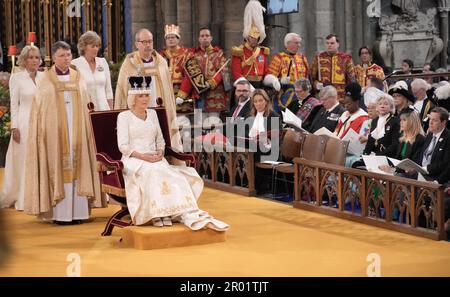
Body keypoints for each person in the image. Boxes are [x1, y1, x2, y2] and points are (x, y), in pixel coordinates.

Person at [117, 75, 228, 231]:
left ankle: (168, 212)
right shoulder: (124, 117)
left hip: (155, 158)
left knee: (168, 172)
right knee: (152, 171)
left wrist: (160, 153)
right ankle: (156, 214)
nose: (144, 99)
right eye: (141, 95)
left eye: (147, 95)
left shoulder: (153, 114)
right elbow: (123, 146)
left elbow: (161, 140)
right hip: (134, 159)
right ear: (133, 98)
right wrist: (143, 157)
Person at [23, 41, 105, 224]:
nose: (66, 59)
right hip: (55, 134)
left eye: (68, 55)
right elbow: (41, 110)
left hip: (77, 132)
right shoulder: (45, 79)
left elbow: (86, 103)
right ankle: (60, 215)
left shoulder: (78, 77)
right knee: (58, 167)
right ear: (53, 57)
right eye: (61, 55)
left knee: (78, 166)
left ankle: (79, 214)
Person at [114, 28, 182, 154]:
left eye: (150, 41)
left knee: (163, 135)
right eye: (144, 42)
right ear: (136, 44)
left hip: (160, 108)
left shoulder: (161, 62)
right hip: (137, 113)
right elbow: (122, 91)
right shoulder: (130, 63)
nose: (148, 45)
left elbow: (168, 90)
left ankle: (165, 156)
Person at [1, 45, 43, 210]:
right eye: (31, 57)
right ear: (24, 61)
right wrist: (14, 127)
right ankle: (24, 196)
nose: (34, 60)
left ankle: (40, 194)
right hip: (24, 122)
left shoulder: (45, 76)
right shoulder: (17, 78)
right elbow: (14, 105)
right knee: (25, 158)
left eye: (37, 57)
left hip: (42, 122)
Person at [177, 28, 228, 126]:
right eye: (202, 36)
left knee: (213, 126)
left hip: (215, 96)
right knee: (199, 128)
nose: (205, 38)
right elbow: (188, 77)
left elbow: (223, 72)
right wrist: (182, 95)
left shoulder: (219, 54)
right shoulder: (193, 55)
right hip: (199, 97)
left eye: (207, 36)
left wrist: (212, 82)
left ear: (211, 38)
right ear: (199, 39)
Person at [230, 0, 280, 91]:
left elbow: (265, 72)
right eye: (252, 37)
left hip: (259, 88)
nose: (254, 39)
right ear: (247, 37)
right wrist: (248, 88)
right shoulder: (239, 52)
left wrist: (272, 80)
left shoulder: (262, 52)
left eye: (256, 37)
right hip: (243, 88)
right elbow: (237, 74)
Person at [268, 33, 310, 114]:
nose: (299, 45)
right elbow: (270, 80)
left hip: (301, 96)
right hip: (284, 97)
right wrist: (280, 81)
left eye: (299, 43)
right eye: (296, 43)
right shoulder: (279, 58)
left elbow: (308, 77)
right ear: (288, 44)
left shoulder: (302, 58)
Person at [72, 31, 114, 110]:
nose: (96, 49)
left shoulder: (102, 62)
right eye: (93, 46)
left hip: (104, 109)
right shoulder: (75, 64)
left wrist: (111, 110)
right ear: (84, 47)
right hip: (85, 109)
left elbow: (108, 90)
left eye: (97, 46)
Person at [311, 34, 355, 103]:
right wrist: (316, 84)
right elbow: (312, 77)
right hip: (323, 97)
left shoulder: (346, 58)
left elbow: (351, 78)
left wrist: (349, 96)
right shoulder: (319, 57)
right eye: (327, 43)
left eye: (332, 43)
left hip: (340, 98)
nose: (329, 45)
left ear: (338, 44)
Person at [159, 24, 192, 116]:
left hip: (182, 92)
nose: (170, 39)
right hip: (165, 93)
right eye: (168, 37)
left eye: (173, 37)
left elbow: (189, 75)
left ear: (178, 39)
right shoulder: (161, 56)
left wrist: (182, 94)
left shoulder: (186, 54)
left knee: (182, 123)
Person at [379, 110, 425, 174]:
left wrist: (393, 170)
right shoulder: (402, 138)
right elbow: (398, 159)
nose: (401, 122)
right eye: (400, 120)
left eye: (404, 120)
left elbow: (415, 164)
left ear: (412, 122)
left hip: (410, 175)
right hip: (399, 172)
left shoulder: (420, 139)